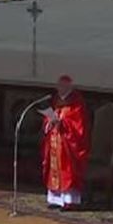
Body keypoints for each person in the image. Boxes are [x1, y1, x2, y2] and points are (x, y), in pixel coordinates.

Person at [41, 75, 89, 210]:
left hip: (69, 145)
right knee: (53, 168)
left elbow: (79, 126)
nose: (59, 89)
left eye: (61, 86)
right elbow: (49, 117)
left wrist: (62, 123)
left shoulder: (77, 102)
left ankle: (69, 200)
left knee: (67, 170)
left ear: (69, 87)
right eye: (58, 86)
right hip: (54, 140)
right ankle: (55, 199)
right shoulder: (56, 99)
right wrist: (49, 121)